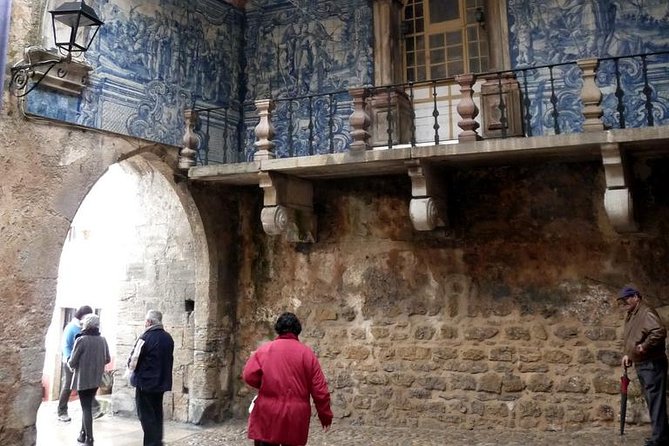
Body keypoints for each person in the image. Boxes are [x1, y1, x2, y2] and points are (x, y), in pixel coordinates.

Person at [243, 312, 333, 446]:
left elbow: (248, 375)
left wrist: (265, 384)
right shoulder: (307, 354)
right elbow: (320, 390)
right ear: (298, 330)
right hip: (296, 414)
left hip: (268, 411)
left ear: (278, 329)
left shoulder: (264, 350)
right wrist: (325, 415)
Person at [619, 285, 669, 446]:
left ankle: (660, 438)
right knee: (652, 400)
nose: (624, 302)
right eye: (622, 300)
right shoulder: (633, 314)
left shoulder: (646, 312)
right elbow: (633, 338)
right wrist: (629, 354)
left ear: (636, 297)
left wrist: (645, 346)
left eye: (626, 298)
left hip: (652, 363)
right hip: (643, 363)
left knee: (655, 400)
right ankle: (661, 435)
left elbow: (659, 331)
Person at [127, 310, 174, 446]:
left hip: (146, 382)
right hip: (161, 382)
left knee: (146, 415)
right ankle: (158, 440)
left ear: (149, 322)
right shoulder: (168, 338)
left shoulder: (145, 337)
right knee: (157, 413)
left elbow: (133, 360)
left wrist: (130, 372)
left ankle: (152, 443)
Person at [68, 313, 111, 446]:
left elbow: (73, 361)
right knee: (86, 405)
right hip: (96, 379)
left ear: (86, 324)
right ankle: (82, 433)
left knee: (86, 407)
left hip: (83, 379)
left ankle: (90, 438)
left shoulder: (82, 340)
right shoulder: (102, 340)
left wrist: (70, 363)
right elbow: (108, 359)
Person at [57, 305, 102, 422]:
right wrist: (68, 360)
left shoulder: (87, 329)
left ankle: (94, 408)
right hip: (71, 362)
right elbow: (66, 346)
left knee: (87, 386)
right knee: (68, 386)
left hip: (83, 363)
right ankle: (62, 411)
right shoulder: (71, 328)